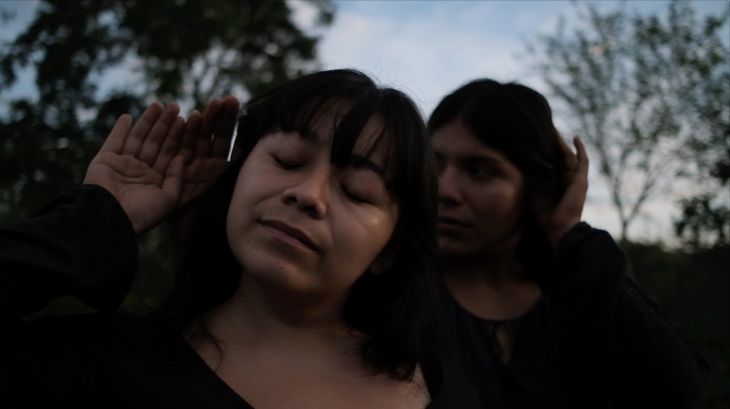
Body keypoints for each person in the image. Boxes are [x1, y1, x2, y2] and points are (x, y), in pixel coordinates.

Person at [0, 69, 478, 408]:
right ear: (236, 177)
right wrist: (96, 218)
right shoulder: (99, 362)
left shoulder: (441, 389)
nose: (307, 195)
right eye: (288, 160)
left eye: (356, 190)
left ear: (389, 249)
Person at [428, 79, 709, 408]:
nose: (444, 190)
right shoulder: (397, 293)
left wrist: (566, 233)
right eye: (434, 165)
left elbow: (676, 390)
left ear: (536, 189)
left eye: (479, 171)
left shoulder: (583, 290)